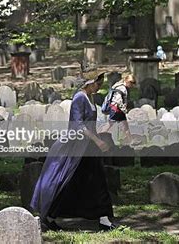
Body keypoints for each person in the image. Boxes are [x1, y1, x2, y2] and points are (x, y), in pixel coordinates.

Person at [31, 71, 117, 231]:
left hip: (88, 146)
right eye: (98, 83)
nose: (100, 86)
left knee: (95, 180)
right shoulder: (79, 98)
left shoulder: (89, 97)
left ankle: (103, 218)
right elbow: (78, 125)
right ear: (89, 83)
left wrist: (101, 131)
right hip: (77, 146)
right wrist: (97, 140)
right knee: (69, 181)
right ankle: (50, 216)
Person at [99, 75, 137, 145]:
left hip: (118, 110)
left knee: (125, 126)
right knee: (109, 125)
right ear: (127, 81)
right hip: (116, 110)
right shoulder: (122, 88)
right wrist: (124, 110)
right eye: (132, 83)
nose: (132, 85)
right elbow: (118, 101)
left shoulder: (121, 87)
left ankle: (131, 141)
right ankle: (99, 137)